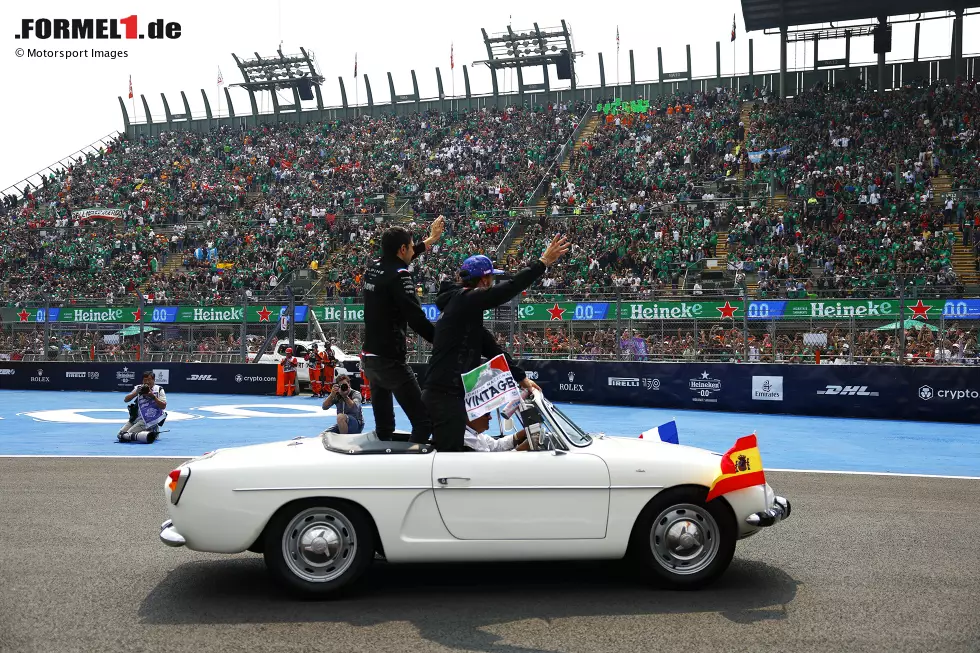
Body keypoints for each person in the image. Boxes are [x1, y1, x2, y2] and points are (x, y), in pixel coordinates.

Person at [422, 235, 569, 452]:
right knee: (448, 459)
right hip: (444, 396)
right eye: (491, 279)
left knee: (445, 454)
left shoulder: (464, 311)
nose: (493, 284)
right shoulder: (464, 300)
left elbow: (493, 350)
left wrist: (522, 378)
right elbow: (507, 290)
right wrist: (542, 263)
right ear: (483, 281)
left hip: (446, 394)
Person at [361, 217, 445, 444]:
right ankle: (409, 468)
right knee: (424, 421)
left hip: (370, 358)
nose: (411, 250)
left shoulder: (373, 267)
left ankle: (383, 468)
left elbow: (398, 260)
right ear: (402, 249)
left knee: (384, 427)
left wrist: (430, 240)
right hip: (391, 361)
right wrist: (442, 341)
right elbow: (416, 318)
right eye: (410, 246)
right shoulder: (401, 276)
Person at [118, 371, 168, 443]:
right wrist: (136, 393)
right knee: (120, 435)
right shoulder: (139, 388)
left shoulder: (159, 389)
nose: (147, 382)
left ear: (153, 380)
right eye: (145, 380)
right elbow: (126, 399)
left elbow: (163, 406)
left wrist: (153, 397)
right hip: (136, 419)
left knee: (127, 436)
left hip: (148, 419)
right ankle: (148, 432)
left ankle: (151, 429)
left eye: (149, 379)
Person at [464, 412, 531, 452]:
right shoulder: (466, 439)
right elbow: (489, 464)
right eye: (487, 414)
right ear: (470, 416)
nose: (490, 417)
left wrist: (518, 435)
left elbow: (496, 445)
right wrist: (520, 450)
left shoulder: (476, 433)